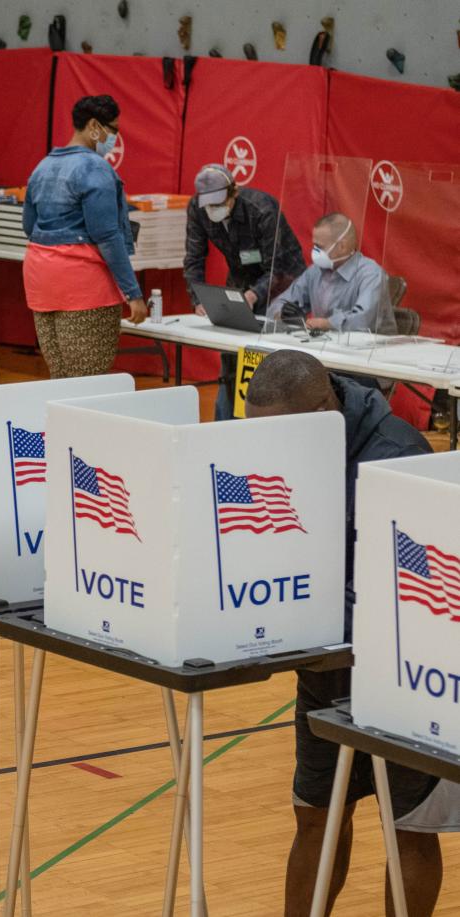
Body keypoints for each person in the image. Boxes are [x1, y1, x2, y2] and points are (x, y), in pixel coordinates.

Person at [244, 351, 454, 916]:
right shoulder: (289, 439)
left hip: (399, 675)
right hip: (325, 670)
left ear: (322, 410)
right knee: (315, 813)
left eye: (281, 432)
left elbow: (417, 585)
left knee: (405, 826)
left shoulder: (399, 454)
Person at [22, 94, 147, 379]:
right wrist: (133, 294)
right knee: (87, 381)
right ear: (94, 126)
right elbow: (107, 237)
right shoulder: (95, 169)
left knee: (60, 376)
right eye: (112, 129)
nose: (114, 137)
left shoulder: (42, 166)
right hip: (82, 285)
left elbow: (29, 226)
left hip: (41, 282)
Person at [185, 163, 306, 419]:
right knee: (231, 352)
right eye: (207, 205)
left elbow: (278, 265)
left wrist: (254, 294)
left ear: (234, 192)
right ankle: (226, 421)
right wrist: (198, 299)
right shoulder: (197, 210)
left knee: (270, 357)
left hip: (284, 281)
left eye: (218, 204)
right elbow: (193, 257)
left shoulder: (262, 209)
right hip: (241, 280)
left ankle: (273, 420)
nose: (212, 211)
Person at [267, 212, 397, 336]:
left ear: (342, 247)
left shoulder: (371, 274)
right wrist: (283, 314)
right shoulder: (315, 271)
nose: (315, 251)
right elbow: (277, 304)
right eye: (314, 246)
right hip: (326, 344)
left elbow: (362, 320)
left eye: (320, 247)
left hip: (372, 350)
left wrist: (325, 324)